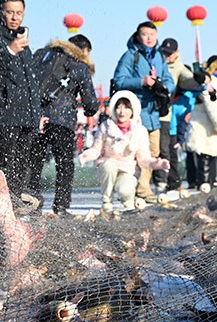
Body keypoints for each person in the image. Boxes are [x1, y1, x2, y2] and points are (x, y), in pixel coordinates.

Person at [0, 0, 43, 200]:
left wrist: (37, 112)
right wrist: (9, 51)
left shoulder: (21, 39)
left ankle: (12, 214)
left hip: (25, 117)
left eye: (19, 13)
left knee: (21, 169)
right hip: (3, 116)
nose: (15, 18)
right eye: (10, 12)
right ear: (0, 12)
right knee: (2, 170)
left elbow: (30, 82)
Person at [29, 34, 99, 216]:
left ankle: (31, 203)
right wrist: (91, 109)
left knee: (34, 162)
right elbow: (90, 104)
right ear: (84, 50)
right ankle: (60, 207)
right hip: (63, 121)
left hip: (36, 118)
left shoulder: (41, 55)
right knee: (65, 164)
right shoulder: (79, 65)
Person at [112, 21, 175, 200]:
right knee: (133, 154)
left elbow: (170, 81)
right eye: (145, 34)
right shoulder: (130, 56)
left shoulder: (160, 57)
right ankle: (130, 190)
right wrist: (142, 81)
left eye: (152, 34)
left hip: (154, 112)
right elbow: (119, 81)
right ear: (138, 36)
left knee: (153, 152)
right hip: (135, 113)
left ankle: (143, 189)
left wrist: (163, 86)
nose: (149, 38)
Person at [79, 91, 169, 211]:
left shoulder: (140, 131)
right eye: (118, 107)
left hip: (128, 168)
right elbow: (96, 150)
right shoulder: (106, 126)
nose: (122, 112)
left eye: (126, 108)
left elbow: (143, 159)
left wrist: (157, 164)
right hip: (108, 165)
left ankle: (128, 202)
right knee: (108, 165)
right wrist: (86, 156)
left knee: (125, 190)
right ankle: (107, 202)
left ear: (133, 110)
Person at [155, 37, 205, 193]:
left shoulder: (180, 68)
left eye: (170, 53)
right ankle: (157, 182)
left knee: (168, 151)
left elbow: (190, 81)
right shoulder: (155, 63)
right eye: (164, 52)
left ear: (177, 53)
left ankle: (171, 183)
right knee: (155, 150)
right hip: (152, 112)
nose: (167, 56)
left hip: (167, 117)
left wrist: (199, 79)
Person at [185, 56, 217, 189]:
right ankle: (204, 185)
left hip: (207, 125)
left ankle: (207, 182)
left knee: (209, 156)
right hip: (206, 125)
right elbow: (212, 105)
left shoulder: (214, 82)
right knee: (205, 155)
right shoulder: (212, 83)